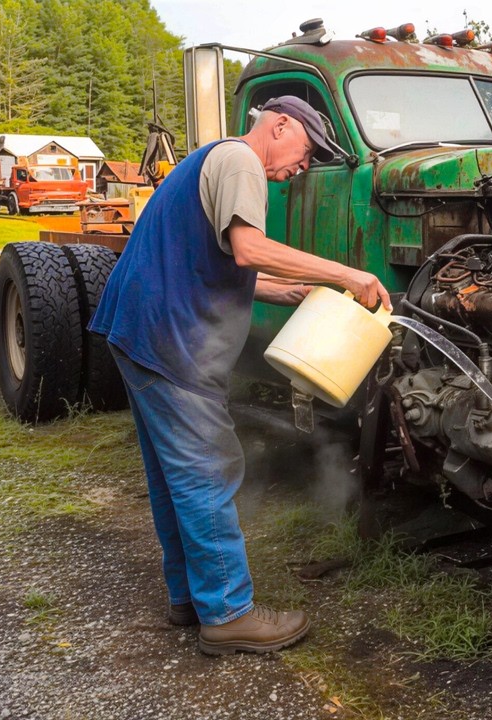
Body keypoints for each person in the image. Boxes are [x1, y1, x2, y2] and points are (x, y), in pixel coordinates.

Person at [89, 96, 390, 656]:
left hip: (139, 331)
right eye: (305, 153)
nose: (301, 169)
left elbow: (210, 262)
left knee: (173, 475)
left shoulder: (211, 161)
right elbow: (248, 249)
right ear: (280, 126)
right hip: (171, 339)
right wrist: (349, 273)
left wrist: (291, 290)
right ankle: (228, 612)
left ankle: (189, 598)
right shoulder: (240, 160)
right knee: (208, 468)